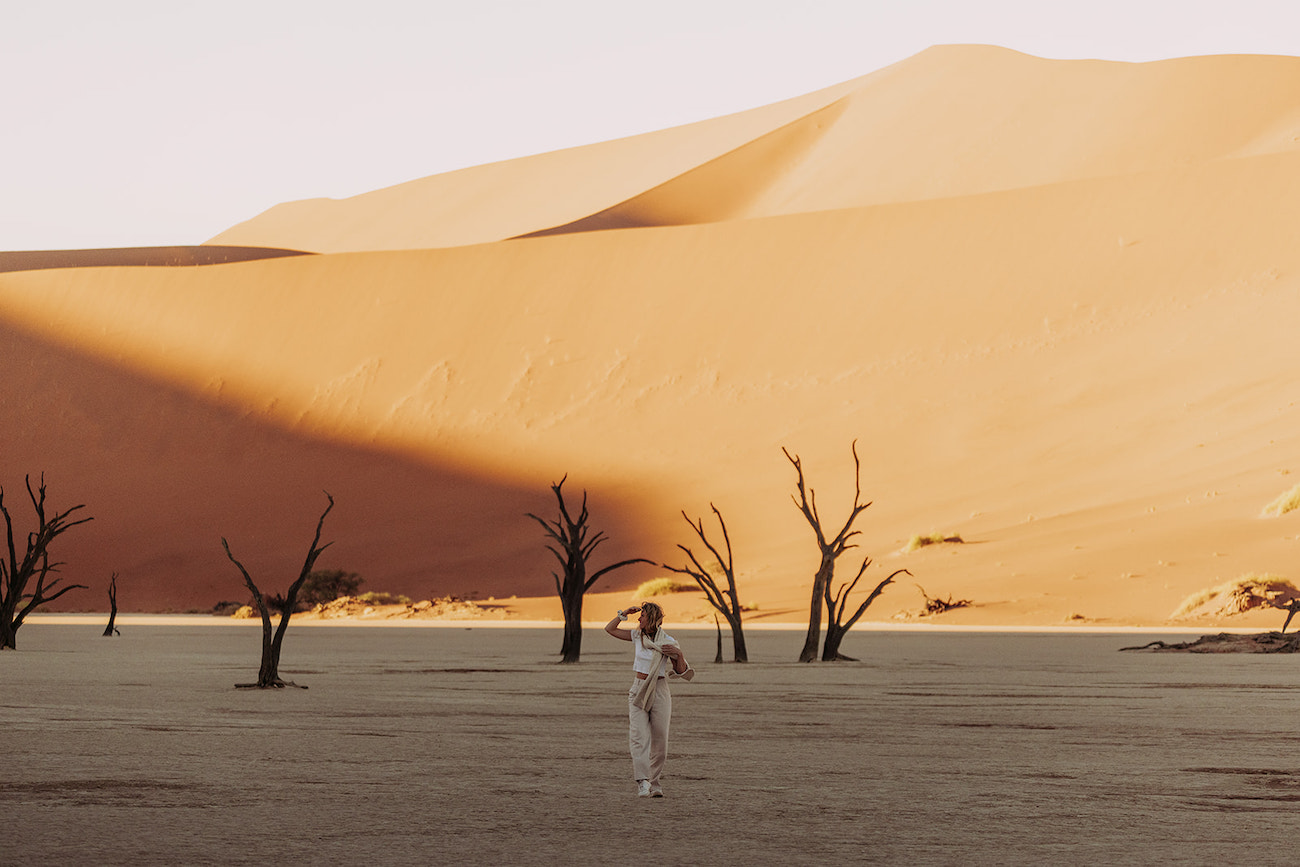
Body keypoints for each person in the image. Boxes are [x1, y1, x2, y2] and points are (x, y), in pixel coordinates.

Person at [605, 601, 693, 798]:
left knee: (660, 740)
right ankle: (642, 782)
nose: (639, 618)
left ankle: (655, 782)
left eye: (642, 615)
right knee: (638, 737)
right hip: (638, 689)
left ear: (651, 618)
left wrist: (678, 654)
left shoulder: (667, 641)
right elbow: (609, 629)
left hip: (660, 690)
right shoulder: (637, 636)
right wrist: (623, 614)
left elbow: (680, 671)